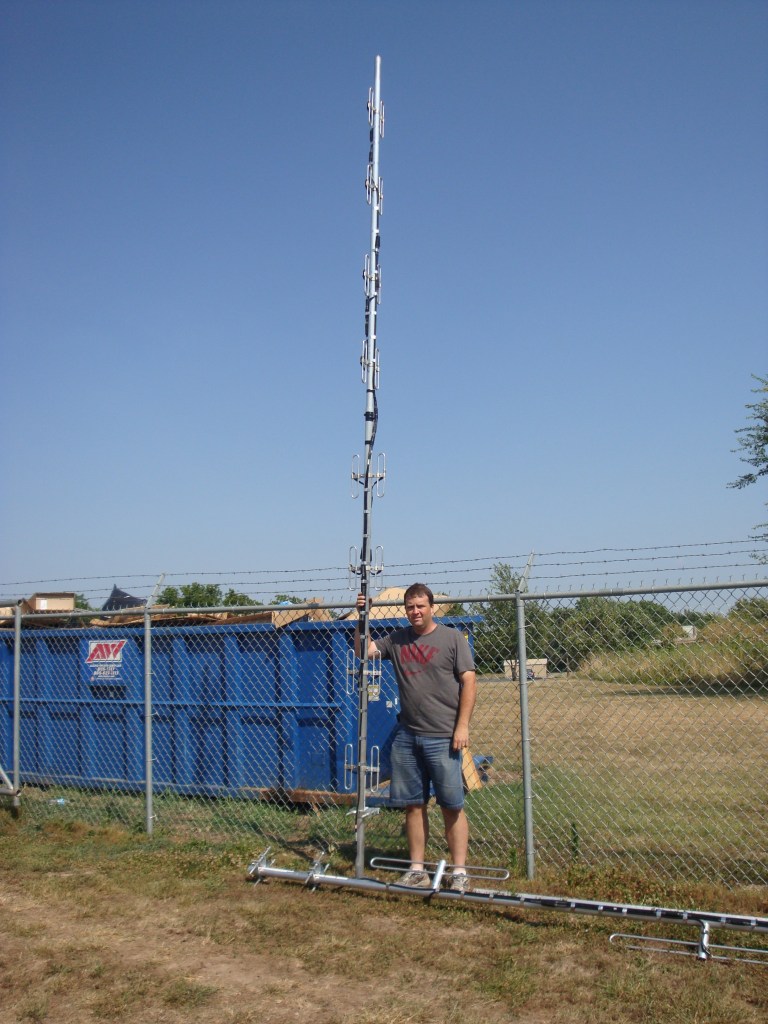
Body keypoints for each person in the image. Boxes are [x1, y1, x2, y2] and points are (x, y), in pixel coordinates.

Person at [355, 583, 477, 891]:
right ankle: (417, 869)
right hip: (407, 736)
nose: (415, 612)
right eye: (410, 607)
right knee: (413, 805)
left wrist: (462, 726)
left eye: (421, 606)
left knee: (451, 805)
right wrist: (361, 617)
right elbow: (363, 652)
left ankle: (459, 871)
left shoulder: (452, 639)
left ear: (431, 607)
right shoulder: (397, 640)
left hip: (443, 737)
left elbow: (469, 682)